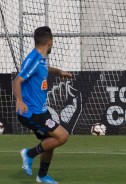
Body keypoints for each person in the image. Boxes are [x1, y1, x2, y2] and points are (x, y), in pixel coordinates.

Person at [12, 26, 72, 183]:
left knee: (49, 144)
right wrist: (19, 100)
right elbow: (17, 80)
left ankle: (42, 176)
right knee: (63, 136)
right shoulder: (34, 59)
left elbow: (43, 68)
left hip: (41, 111)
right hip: (31, 112)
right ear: (50, 42)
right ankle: (29, 154)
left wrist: (58, 71)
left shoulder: (41, 59)